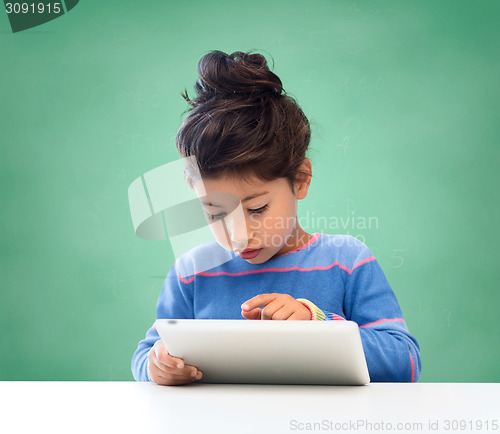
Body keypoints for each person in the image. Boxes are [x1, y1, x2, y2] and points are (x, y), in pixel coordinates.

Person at [131, 49, 421, 386]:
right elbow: (148, 353)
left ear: (300, 179)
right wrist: (157, 367)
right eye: (214, 213)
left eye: (257, 209)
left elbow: (405, 363)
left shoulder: (346, 262)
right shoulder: (192, 273)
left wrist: (319, 325)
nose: (238, 235)